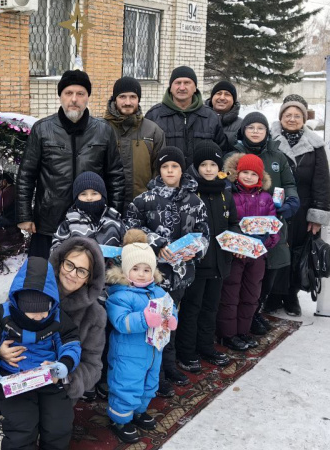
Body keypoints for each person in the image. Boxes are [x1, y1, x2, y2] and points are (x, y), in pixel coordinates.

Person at [0, 237, 106, 449]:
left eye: (82, 271)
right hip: (17, 375)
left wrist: (64, 374)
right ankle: (3, 421)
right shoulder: (31, 286)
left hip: (56, 382)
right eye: (69, 264)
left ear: (90, 278)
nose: (72, 273)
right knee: (19, 422)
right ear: (60, 262)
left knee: (56, 426)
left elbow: (92, 364)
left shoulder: (93, 315)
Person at [125, 146, 210, 391]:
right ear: (159, 170)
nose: (170, 171)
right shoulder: (144, 199)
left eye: (174, 166)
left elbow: (204, 233)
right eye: (165, 167)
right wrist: (157, 242)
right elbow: (130, 228)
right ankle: (157, 371)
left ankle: (169, 364)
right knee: (154, 322)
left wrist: (197, 248)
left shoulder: (195, 200)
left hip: (181, 275)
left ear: (182, 169)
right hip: (153, 275)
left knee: (172, 320)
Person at [16, 69, 125, 258]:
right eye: (68, 93)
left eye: (80, 94)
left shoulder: (103, 131)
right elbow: (26, 175)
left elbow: (115, 176)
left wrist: (113, 215)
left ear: (87, 97)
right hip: (48, 222)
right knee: (45, 277)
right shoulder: (42, 130)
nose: (74, 99)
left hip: (92, 223)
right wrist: (24, 215)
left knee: (85, 278)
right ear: (60, 96)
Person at [229, 111, 300, 335]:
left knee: (269, 268)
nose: (256, 132)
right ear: (244, 131)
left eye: (260, 128)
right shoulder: (234, 155)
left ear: (267, 132)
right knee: (240, 274)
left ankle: (255, 311)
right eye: (251, 128)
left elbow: (289, 183)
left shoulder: (277, 156)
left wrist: (291, 201)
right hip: (241, 223)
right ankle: (238, 318)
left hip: (272, 219)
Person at [105, 229, 177, 443]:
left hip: (153, 352)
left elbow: (170, 309)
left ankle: (138, 410)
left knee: (149, 383)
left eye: (147, 269)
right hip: (128, 354)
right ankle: (120, 418)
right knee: (127, 384)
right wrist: (144, 319)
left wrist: (172, 319)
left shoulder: (159, 292)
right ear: (125, 270)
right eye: (135, 268)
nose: (142, 273)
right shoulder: (120, 295)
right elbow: (121, 322)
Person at [173, 141, 239, 372]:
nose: (209, 169)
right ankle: (187, 351)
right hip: (197, 264)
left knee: (211, 307)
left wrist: (235, 241)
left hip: (220, 263)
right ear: (196, 167)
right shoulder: (190, 193)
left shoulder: (225, 193)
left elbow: (233, 223)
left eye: (213, 164)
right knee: (192, 308)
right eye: (204, 165)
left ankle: (205, 346)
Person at [269, 97, 330, 316]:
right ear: (281, 117)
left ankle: (291, 295)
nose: (292, 119)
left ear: (304, 119)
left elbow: (322, 182)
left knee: (297, 251)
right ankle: (274, 294)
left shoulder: (314, 146)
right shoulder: (270, 140)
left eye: (297, 116)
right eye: (288, 115)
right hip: (276, 208)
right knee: (276, 249)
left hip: (303, 210)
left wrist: (317, 215)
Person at [217, 153, 280, 351]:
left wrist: (265, 243)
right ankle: (228, 334)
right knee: (231, 294)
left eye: (254, 174)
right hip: (235, 255)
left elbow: (274, 227)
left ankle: (243, 331)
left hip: (257, 256)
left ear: (260, 177)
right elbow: (225, 224)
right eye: (245, 172)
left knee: (251, 294)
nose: (249, 177)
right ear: (237, 173)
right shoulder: (229, 195)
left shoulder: (266, 198)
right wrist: (236, 247)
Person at [145, 66, 228, 167]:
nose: (182, 87)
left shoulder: (210, 117)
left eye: (187, 83)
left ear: (195, 88)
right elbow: (146, 154)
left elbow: (222, 151)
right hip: (165, 180)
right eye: (178, 83)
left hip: (200, 181)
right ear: (170, 87)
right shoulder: (154, 115)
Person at [103, 76, 165, 207]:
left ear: (138, 99)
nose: (127, 102)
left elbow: (159, 173)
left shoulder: (153, 131)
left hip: (143, 207)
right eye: (122, 97)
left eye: (133, 97)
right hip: (108, 207)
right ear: (114, 99)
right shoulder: (101, 129)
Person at [51, 171, 125, 252]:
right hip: (79, 263)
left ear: (103, 195)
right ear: (76, 197)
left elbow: (126, 245)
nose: (89, 198)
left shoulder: (115, 219)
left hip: (110, 264)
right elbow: (56, 248)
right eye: (83, 194)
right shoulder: (70, 221)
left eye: (94, 193)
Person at [0, 172, 24, 249]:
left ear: (5, 180)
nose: (0, 183)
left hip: (6, 221)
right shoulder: (15, 189)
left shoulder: (6, 192)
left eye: (1, 180)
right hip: (15, 221)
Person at [206, 80, 243, 148]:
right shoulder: (199, 119)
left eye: (227, 94)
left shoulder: (241, 125)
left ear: (233, 100)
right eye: (219, 93)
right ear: (212, 97)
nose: (222, 98)